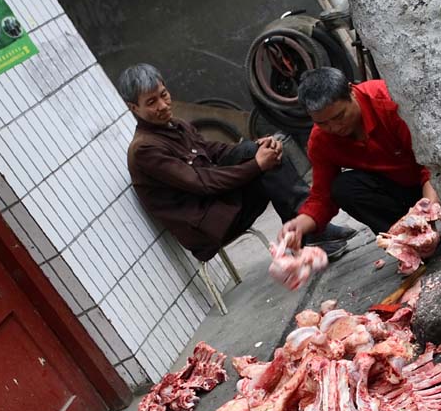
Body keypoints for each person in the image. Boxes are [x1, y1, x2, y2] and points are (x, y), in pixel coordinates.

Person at [118, 64, 354, 263]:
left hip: (220, 205)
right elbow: (203, 183)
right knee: (263, 168)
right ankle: (310, 231)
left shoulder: (176, 125)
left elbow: (215, 151)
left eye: (164, 94)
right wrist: (257, 165)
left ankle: (309, 229)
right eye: (151, 102)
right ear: (133, 108)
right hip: (210, 225)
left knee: (259, 151)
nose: (162, 105)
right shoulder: (145, 149)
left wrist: (258, 147)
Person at [279, 67, 440, 249]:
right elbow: (321, 197)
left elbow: (432, 166)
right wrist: (299, 226)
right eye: (322, 123)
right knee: (344, 188)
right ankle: (405, 244)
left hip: (433, 182)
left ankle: (423, 235)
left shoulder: (388, 103)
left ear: (351, 91)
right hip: (394, 192)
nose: (334, 127)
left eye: (339, 116)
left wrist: (426, 215)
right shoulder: (320, 140)